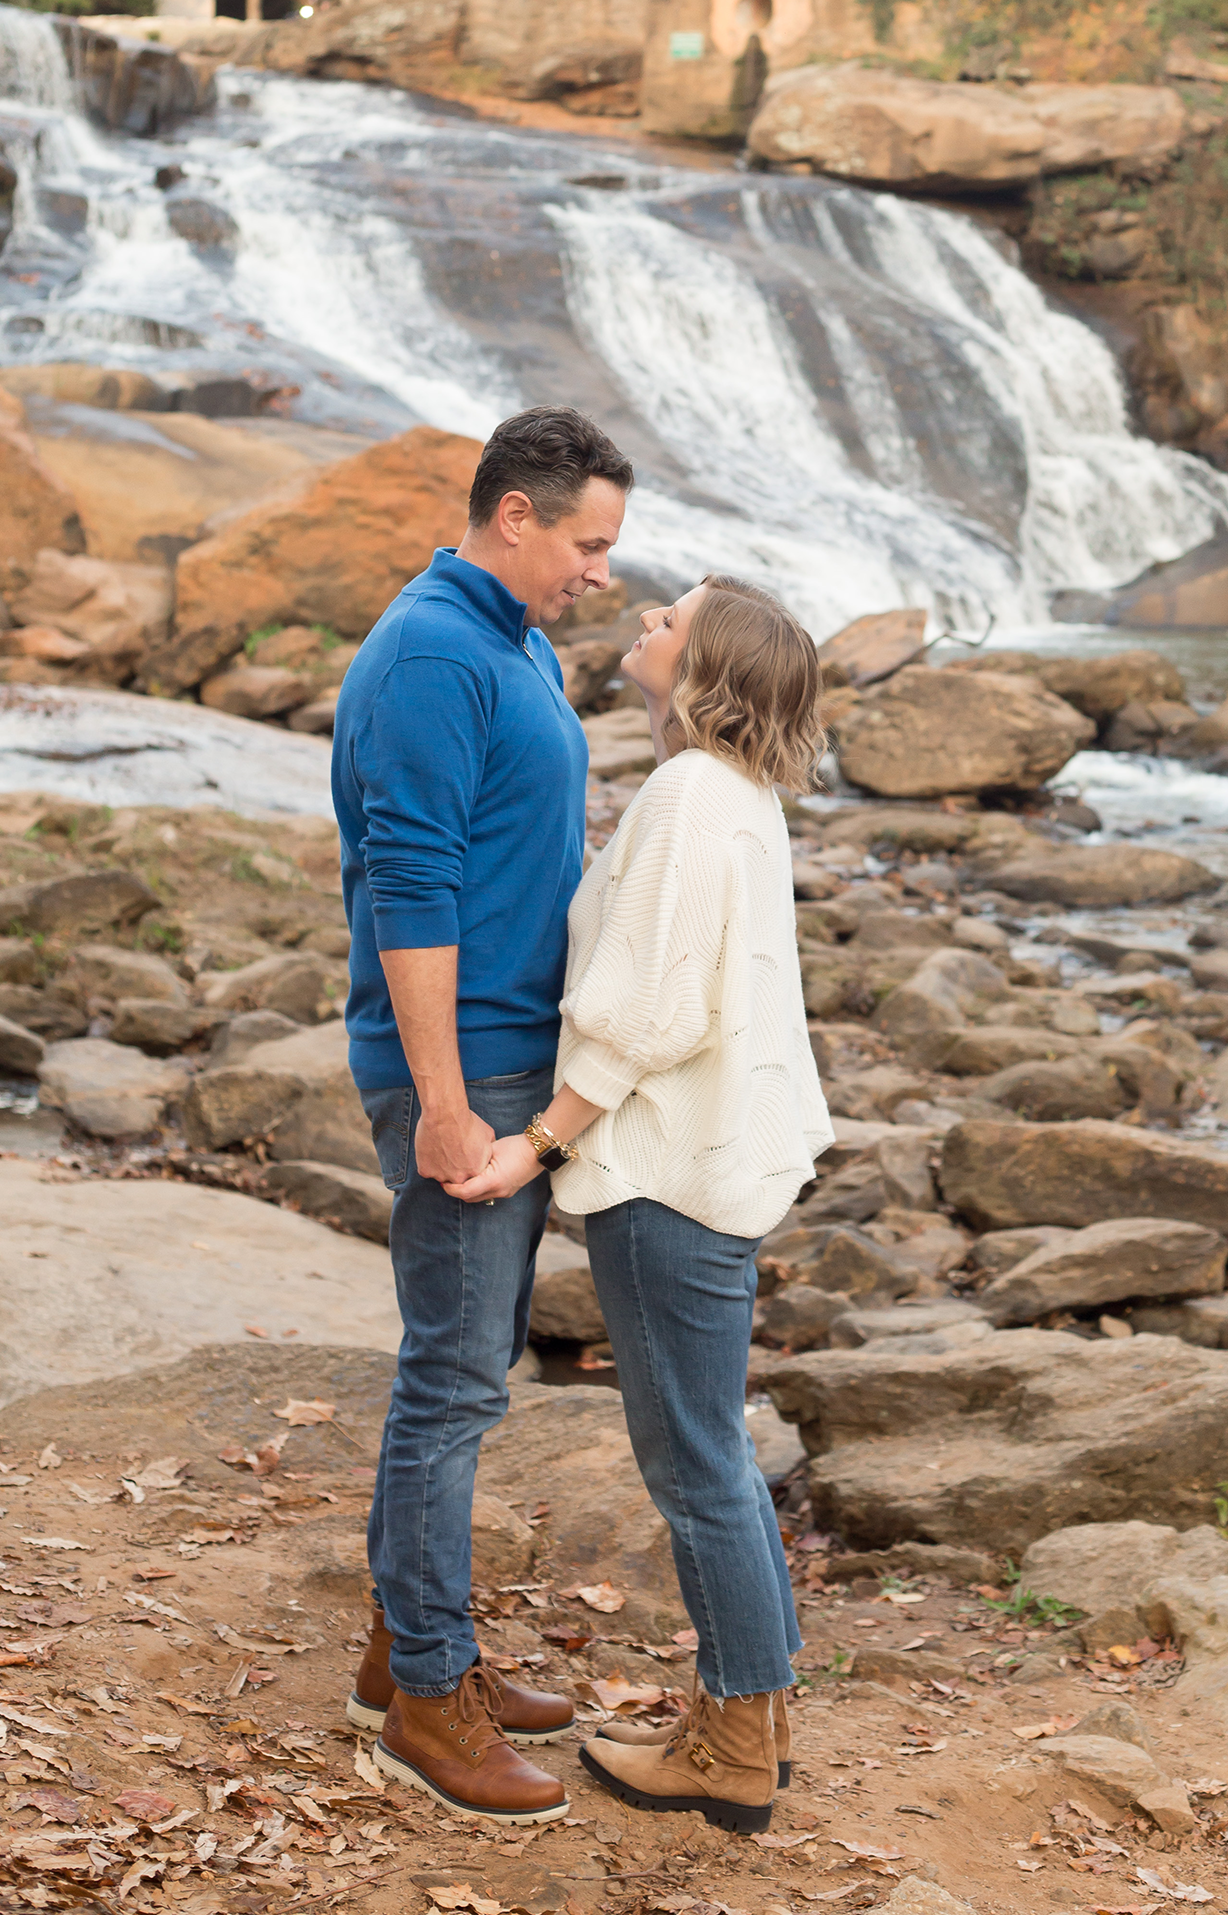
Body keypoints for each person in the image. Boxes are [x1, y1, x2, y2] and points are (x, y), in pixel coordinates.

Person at [446, 573, 832, 1837]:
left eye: (671, 618)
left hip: (672, 1178)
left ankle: (731, 1743)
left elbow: (651, 1014)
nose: (644, 621)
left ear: (708, 667)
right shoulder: (742, 797)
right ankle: (749, 1724)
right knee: (712, 1455)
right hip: (722, 1164)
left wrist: (539, 1144)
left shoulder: (685, 795)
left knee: (698, 1464)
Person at [333, 404, 633, 1826]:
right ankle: (429, 1707)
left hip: (517, 1054)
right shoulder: (432, 654)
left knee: (470, 1362)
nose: (602, 574)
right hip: (469, 1070)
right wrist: (446, 1104)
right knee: (453, 1377)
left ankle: (406, 1653)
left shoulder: (506, 638)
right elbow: (413, 889)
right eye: (587, 543)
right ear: (515, 514)